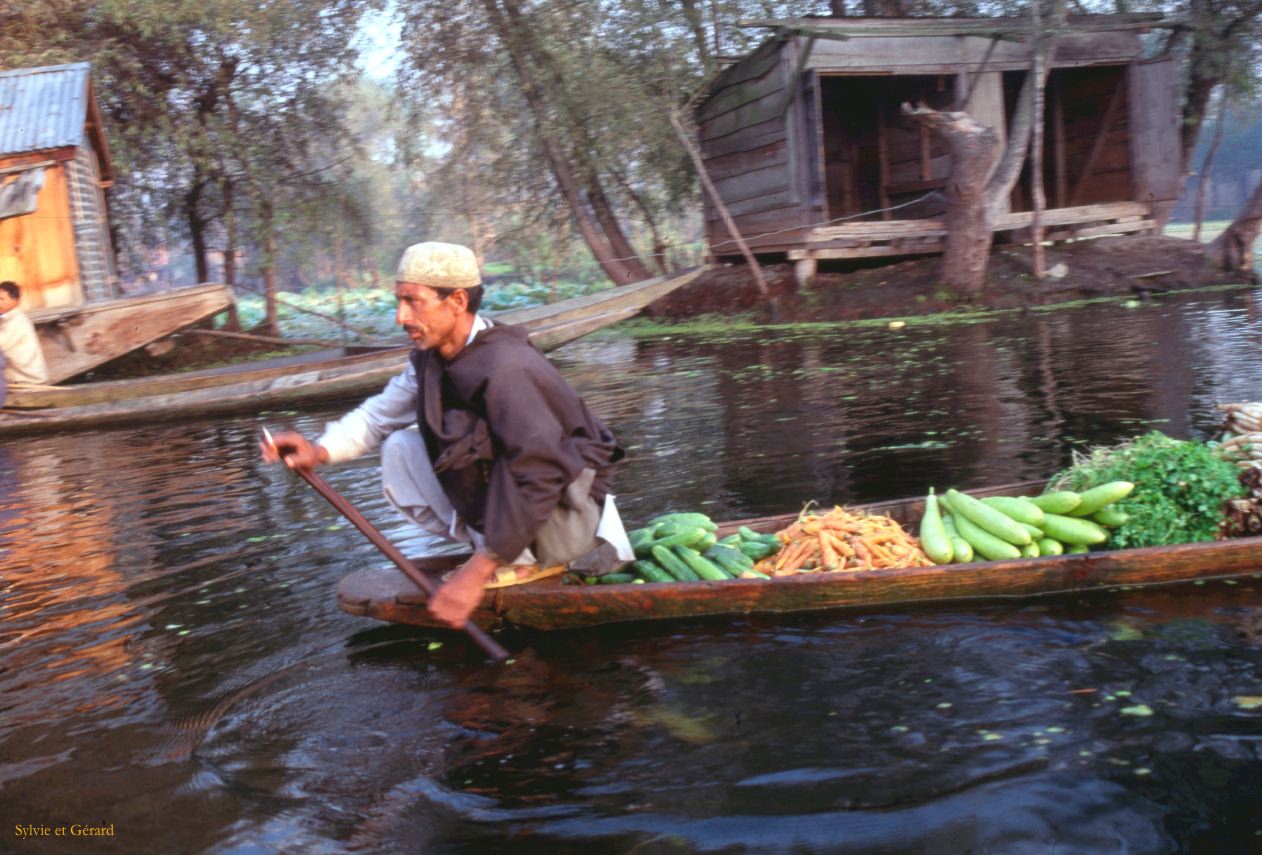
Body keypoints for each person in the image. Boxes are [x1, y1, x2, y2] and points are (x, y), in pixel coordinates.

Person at [263, 242, 633, 628]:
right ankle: (496, 550)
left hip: (570, 517)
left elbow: (539, 472)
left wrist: (473, 576)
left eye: (413, 301)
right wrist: (319, 450)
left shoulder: (508, 367)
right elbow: (380, 414)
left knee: (515, 455)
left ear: (457, 300)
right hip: (517, 516)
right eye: (398, 301)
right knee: (400, 447)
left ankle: (521, 558)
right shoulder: (430, 357)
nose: (399, 316)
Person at [0, 281, 50, 407]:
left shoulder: (17, 320)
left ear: (16, 300)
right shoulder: (7, 318)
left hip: (30, 383)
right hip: (18, 381)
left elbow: (2, 343)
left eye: (2, 299)